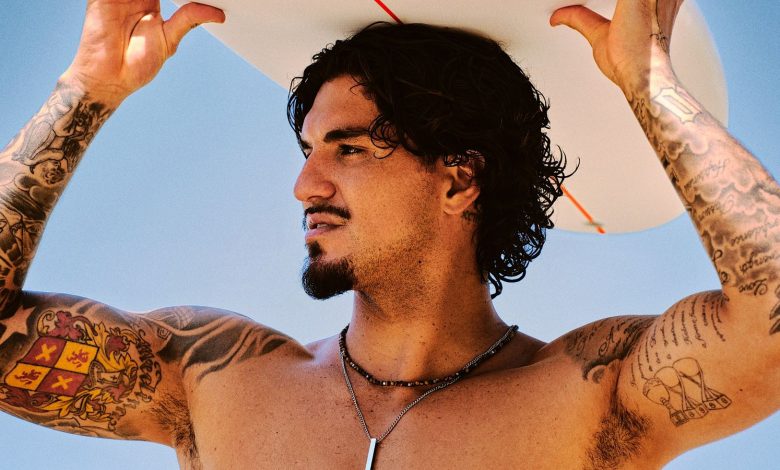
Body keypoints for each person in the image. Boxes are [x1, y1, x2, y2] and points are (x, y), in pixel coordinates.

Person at [0, 0, 777, 468]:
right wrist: (86, 89)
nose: (306, 185)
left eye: (349, 149)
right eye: (308, 151)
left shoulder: (589, 395)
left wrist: (650, 83)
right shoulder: (214, 378)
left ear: (458, 180)